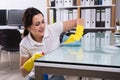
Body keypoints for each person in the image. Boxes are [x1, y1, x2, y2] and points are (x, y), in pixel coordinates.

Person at [19, 7, 84, 80]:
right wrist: (32, 61)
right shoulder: (24, 44)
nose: (42, 26)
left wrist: (78, 34)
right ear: (28, 28)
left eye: (43, 22)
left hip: (55, 73)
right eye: (37, 24)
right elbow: (23, 73)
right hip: (36, 75)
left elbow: (79, 20)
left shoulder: (53, 29)